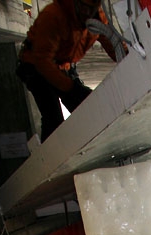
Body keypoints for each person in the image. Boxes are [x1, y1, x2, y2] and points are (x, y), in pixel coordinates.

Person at [16, 0, 123, 141]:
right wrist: (69, 87)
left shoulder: (97, 19)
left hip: (61, 66)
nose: (86, 13)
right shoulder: (54, 16)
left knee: (87, 106)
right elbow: (42, 61)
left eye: (90, 9)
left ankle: (97, 141)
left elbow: (112, 43)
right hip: (35, 67)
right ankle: (50, 156)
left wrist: (127, 58)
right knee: (53, 118)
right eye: (83, 7)